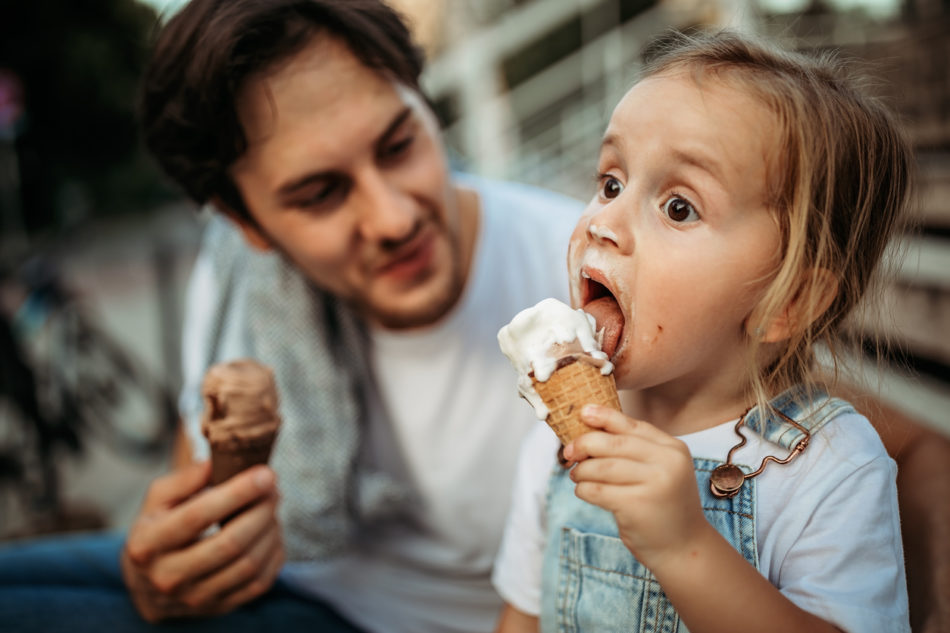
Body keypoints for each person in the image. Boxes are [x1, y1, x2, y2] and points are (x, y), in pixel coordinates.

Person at [0, 3, 947, 633]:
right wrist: (170, 561)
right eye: (321, 193)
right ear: (250, 227)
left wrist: (689, 542)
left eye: (399, 141)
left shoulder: (600, 287)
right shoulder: (253, 291)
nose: (393, 213)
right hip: (293, 583)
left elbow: (877, 443)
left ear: (425, 97)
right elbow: (195, 485)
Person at [491, 30, 914, 633]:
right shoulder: (558, 446)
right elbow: (521, 619)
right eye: (611, 183)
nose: (603, 221)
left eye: (679, 207)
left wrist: (685, 547)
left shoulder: (828, 468)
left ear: (784, 299)